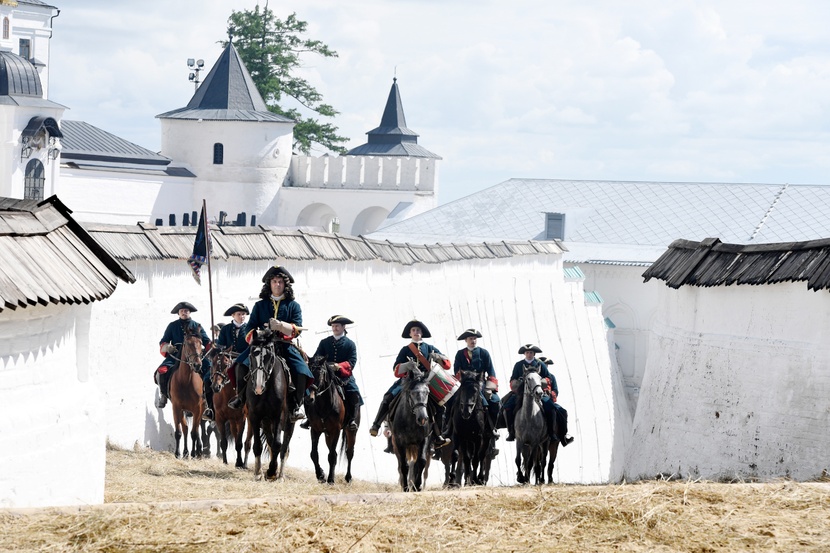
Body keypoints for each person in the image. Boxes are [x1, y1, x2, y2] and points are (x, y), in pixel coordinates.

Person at [228, 265, 313, 423]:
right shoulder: (260, 305)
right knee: (239, 365)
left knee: (303, 370)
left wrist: (281, 326)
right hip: (261, 345)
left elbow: (297, 329)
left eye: (280, 281)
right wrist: (255, 335)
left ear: (285, 285)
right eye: (274, 281)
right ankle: (240, 397)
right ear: (269, 284)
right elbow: (249, 326)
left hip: (283, 346)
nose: (277, 284)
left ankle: (295, 406)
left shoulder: (293, 306)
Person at [369, 319, 452, 450]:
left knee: (440, 407)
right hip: (407, 382)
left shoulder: (430, 348)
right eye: (413, 330)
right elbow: (395, 369)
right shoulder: (405, 350)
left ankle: (437, 436)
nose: (416, 332)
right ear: (410, 333)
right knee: (387, 397)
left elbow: (447, 365)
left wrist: (438, 357)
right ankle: (376, 425)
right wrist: (406, 365)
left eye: (418, 330)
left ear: (422, 333)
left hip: (425, 382)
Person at [302, 315, 363, 431]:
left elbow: (352, 362)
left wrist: (338, 366)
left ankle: (352, 420)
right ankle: (309, 418)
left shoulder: (350, 344)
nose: (334, 328)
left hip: (343, 376)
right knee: (309, 390)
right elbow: (317, 357)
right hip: (325, 375)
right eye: (333, 326)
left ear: (343, 327)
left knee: (354, 393)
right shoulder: (324, 342)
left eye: (337, 326)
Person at [155, 301, 212, 420]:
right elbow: (163, 341)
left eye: (186, 311)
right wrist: (167, 347)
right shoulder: (172, 326)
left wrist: (211, 347)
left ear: (189, 312)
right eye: (182, 311)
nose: (184, 313)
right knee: (161, 371)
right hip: (176, 356)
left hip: (195, 356)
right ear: (178, 313)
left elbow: (206, 341)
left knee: (211, 370)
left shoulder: (197, 325)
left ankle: (207, 400)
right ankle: (164, 394)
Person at [442, 328, 500, 440]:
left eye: (474, 338)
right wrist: (463, 378)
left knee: (495, 402)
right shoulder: (460, 354)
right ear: (466, 340)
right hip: (464, 384)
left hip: (480, 384)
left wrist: (489, 386)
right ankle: (448, 427)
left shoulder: (484, 353)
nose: (473, 341)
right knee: (449, 401)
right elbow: (456, 371)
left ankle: (492, 427)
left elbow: (491, 371)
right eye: (470, 339)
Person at [502, 344, 550, 442]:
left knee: (552, 408)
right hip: (520, 393)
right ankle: (511, 431)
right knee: (506, 407)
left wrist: (540, 383)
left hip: (538, 393)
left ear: (534, 354)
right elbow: (512, 379)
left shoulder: (540, 364)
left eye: (531, 353)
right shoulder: (518, 365)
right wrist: (517, 384)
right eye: (527, 352)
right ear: (524, 353)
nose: (529, 354)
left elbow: (548, 378)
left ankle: (551, 432)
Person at [538, 356, 574, 447]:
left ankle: (563, 436)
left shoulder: (551, 377)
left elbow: (555, 390)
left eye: (545, 365)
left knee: (562, 412)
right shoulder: (534, 376)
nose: (544, 367)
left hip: (548, 400)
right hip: (535, 399)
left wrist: (550, 393)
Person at [214, 303, 249, 394]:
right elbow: (220, 345)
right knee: (208, 377)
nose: (242, 316)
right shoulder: (225, 329)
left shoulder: (249, 329)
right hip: (227, 359)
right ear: (233, 315)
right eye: (239, 314)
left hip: (245, 359)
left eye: (243, 314)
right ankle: (209, 405)